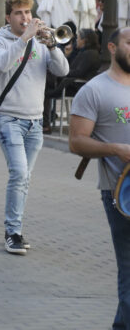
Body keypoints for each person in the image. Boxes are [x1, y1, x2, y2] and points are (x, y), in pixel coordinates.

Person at [0, 0, 68, 255]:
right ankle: (13, 232)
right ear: (8, 17)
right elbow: (2, 64)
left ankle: (16, 230)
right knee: (19, 173)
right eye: (19, 13)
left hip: (35, 122)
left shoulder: (40, 44)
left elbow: (63, 71)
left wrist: (53, 45)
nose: (25, 17)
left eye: (28, 12)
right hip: (8, 118)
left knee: (25, 178)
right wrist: (24, 39)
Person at [69, 27, 130, 330]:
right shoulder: (95, 90)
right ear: (112, 47)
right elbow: (77, 142)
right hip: (121, 193)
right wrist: (115, 149)